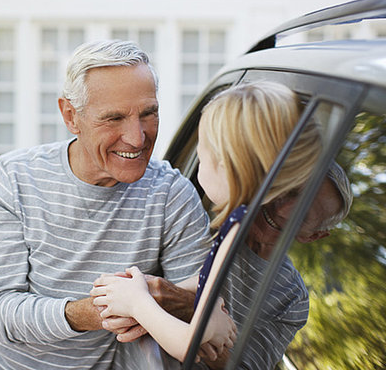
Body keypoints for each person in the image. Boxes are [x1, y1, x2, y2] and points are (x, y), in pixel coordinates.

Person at [0, 40, 214, 369]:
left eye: (148, 114)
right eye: (113, 118)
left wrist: (169, 301)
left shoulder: (171, 195)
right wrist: (98, 310)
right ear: (71, 116)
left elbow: (199, 312)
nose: (137, 138)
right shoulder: (14, 177)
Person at [89, 81, 325, 364]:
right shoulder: (236, 224)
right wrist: (200, 305)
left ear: (228, 163)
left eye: (205, 148)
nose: (199, 155)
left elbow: (188, 345)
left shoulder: (237, 231)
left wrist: (137, 302)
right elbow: (208, 282)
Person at [98, 164, 352, 367]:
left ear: (312, 236)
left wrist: (194, 313)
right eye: (291, 191)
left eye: (304, 210)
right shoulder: (200, 218)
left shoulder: (292, 298)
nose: (283, 209)